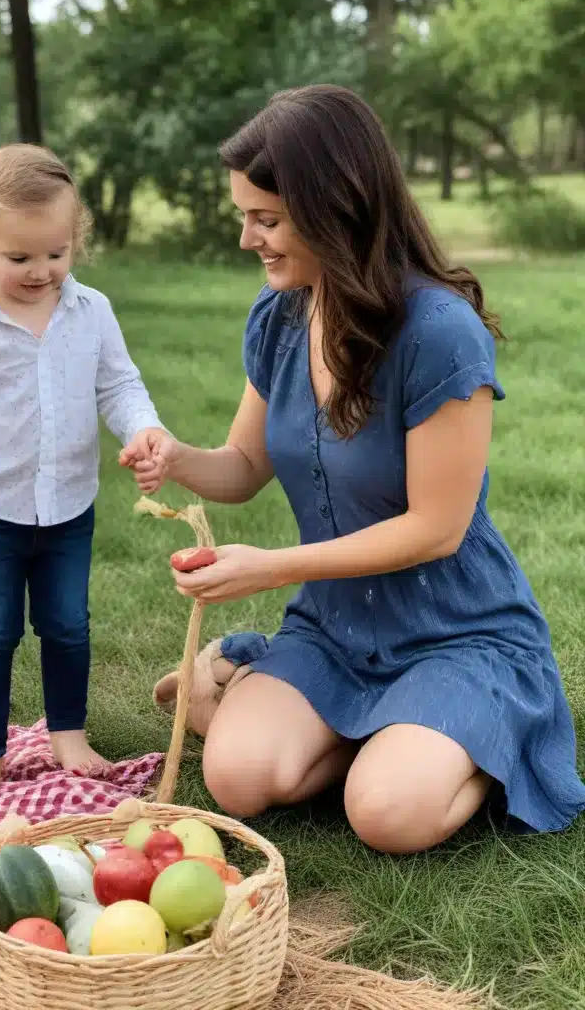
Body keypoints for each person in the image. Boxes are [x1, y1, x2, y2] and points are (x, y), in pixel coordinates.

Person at [120, 84, 585, 854]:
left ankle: (488, 724)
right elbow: (241, 467)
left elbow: (437, 530)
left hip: (458, 634)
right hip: (335, 630)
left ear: (335, 208)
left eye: (265, 219)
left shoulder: (441, 333)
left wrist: (269, 569)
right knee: (236, 779)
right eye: (245, 216)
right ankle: (359, 726)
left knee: (389, 817)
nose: (247, 239)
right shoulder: (282, 317)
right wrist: (178, 458)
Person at [0, 143, 168, 797]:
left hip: (68, 505)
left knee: (67, 623)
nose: (40, 271)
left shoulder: (92, 312)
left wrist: (143, 428)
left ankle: (67, 732)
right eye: (18, 257)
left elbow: (119, 386)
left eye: (57, 254)